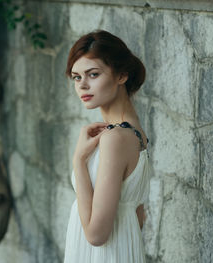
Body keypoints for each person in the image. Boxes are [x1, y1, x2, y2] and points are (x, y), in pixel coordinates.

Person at [63, 30, 152, 263]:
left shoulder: (116, 138)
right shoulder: (136, 133)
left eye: (93, 74)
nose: (82, 85)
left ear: (122, 76)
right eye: (76, 77)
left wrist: (79, 161)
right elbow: (137, 216)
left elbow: (95, 235)